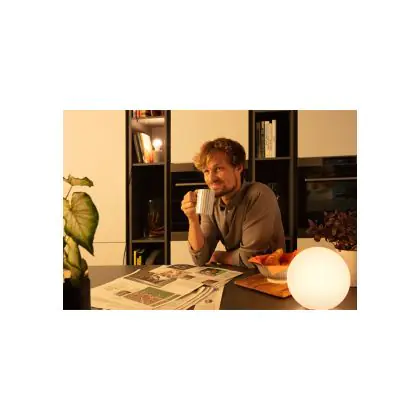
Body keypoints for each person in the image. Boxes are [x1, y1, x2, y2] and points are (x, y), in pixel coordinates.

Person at [180, 137, 286, 268]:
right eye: (206, 171)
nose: (211, 178)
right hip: (236, 274)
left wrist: (218, 256)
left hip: (266, 276)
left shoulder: (259, 195)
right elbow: (200, 258)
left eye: (218, 169)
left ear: (239, 167)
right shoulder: (211, 200)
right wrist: (193, 219)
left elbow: (251, 259)